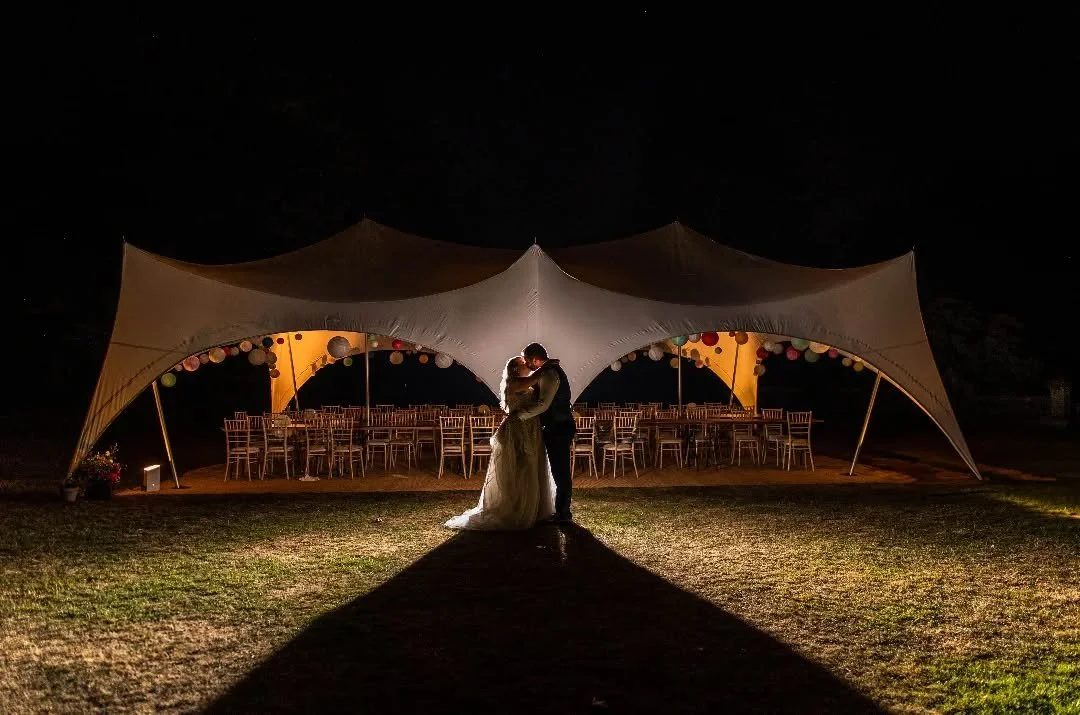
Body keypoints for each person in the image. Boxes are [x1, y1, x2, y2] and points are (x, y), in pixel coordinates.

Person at [445, 357, 556, 530]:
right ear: (514, 369)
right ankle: (517, 509)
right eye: (523, 364)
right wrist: (547, 365)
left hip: (532, 429)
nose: (527, 365)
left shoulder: (526, 383)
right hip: (518, 430)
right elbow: (536, 377)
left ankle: (535, 509)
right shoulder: (513, 384)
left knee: (533, 467)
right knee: (520, 467)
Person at [514, 343, 575, 523]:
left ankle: (563, 514)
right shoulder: (547, 371)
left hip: (559, 427)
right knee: (558, 470)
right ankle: (561, 512)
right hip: (557, 426)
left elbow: (544, 404)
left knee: (560, 470)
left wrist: (520, 416)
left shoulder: (549, 373)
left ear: (534, 359)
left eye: (527, 360)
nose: (526, 364)